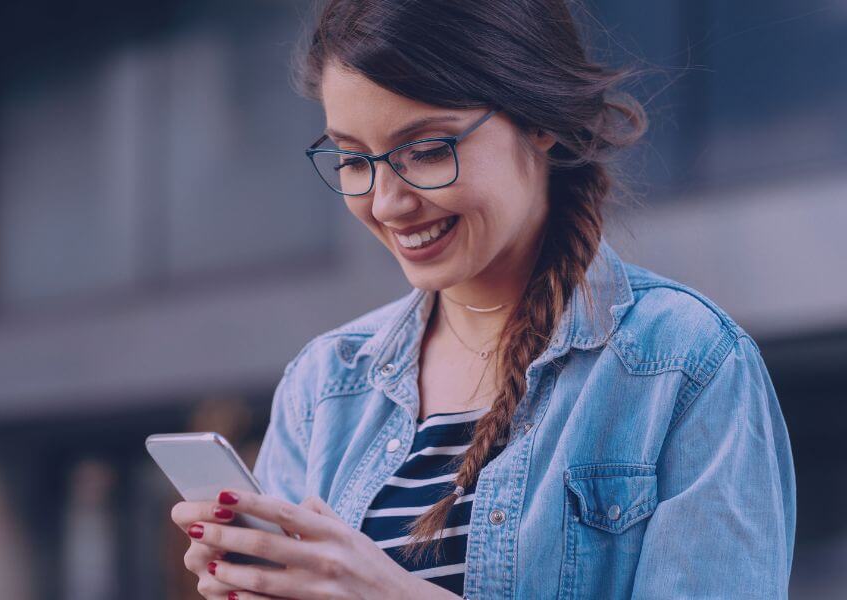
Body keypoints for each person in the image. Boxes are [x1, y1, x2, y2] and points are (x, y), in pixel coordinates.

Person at [169, 0, 797, 598]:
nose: (387, 203)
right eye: (354, 160)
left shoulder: (684, 363)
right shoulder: (325, 384)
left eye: (427, 149)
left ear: (540, 120)